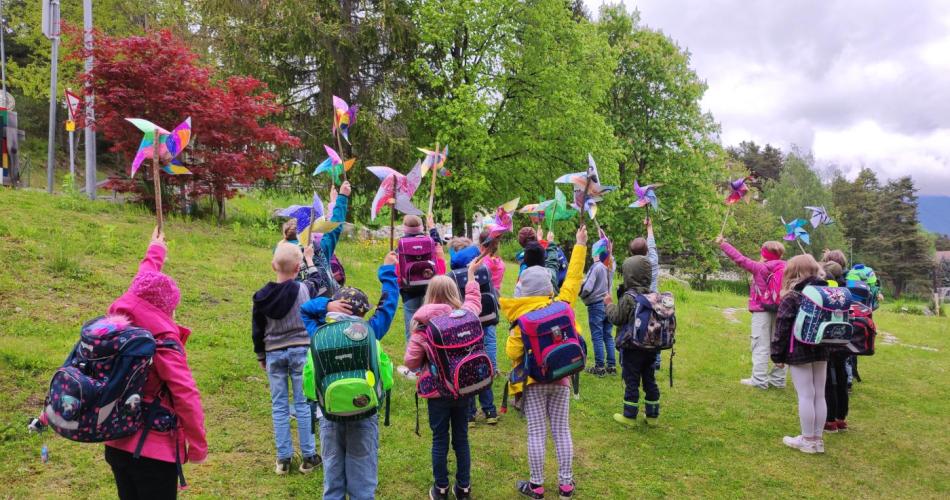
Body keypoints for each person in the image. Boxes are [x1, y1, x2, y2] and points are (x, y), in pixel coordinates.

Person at [103, 228, 208, 499]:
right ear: (166, 309)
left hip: (116, 442)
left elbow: (143, 280)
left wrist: (155, 249)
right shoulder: (163, 341)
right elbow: (186, 394)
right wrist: (197, 445)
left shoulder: (121, 321)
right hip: (154, 453)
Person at [299, 251, 399, 500]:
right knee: (362, 475)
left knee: (333, 474)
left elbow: (304, 310)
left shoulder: (319, 332)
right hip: (364, 410)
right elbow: (388, 305)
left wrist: (326, 305)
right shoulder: (369, 331)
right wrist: (388, 272)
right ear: (363, 313)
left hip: (329, 412)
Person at [502, 226, 588, 500]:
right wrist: (580, 245)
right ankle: (566, 486)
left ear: (522, 289)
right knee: (562, 430)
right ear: (549, 287)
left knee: (537, 432)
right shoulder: (562, 305)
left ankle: (537, 486)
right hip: (562, 376)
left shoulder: (522, 321)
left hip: (534, 382)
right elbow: (573, 279)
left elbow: (511, 352)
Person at [404, 258, 485, 500]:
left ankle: (440, 489)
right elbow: (474, 300)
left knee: (440, 439)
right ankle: (464, 488)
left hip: (436, 391)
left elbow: (410, 362)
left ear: (430, 294)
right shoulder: (466, 315)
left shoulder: (422, 326)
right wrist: (471, 276)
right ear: (453, 292)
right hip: (463, 387)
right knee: (461, 437)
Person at [252, 243, 326, 475]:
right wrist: (310, 260)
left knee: (279, 405)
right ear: (297, 268)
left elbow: (257, 330)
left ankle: (283, 459)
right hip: (300, 352)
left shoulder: (260, 297)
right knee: (303, 404)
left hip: (274, 353)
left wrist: (261, 355)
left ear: (274, 265)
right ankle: (308, 456)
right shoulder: (304, 289)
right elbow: (321, 285)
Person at [771, 254, 829, 454]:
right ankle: (818, 440)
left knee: (805, 395)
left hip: (799, 349)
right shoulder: (826, 292)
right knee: (819, 394)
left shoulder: (793, 296)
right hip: (822, 347)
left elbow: (782, 328)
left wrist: (777, 356)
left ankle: (807, 440)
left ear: (793, 272)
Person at [716, 235, 787, 389]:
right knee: (780, 344)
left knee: (760, 344)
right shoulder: (788, 268)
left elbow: (739, 259)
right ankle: (778, 380)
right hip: (782, 311)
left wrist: (723, 244)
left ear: (765, 254)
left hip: (761, 311)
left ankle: (759, 380)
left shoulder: (759, 267)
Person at [448, 242, 500, 425]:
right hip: (483, 325)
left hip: (463, 329)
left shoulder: (452, 276)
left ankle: (470, 414)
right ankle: (490, 411)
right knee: (481, 367)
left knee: (466, 369)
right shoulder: (483, 270)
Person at [606, 250, 660, 425]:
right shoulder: (653, 296)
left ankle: (629, 416)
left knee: (632, 381)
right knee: (650, 380)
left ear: (629, 274)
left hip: (632, 347)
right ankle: (652, 416)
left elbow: (617, 318)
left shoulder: (629, 297)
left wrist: (608, 305)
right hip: (651, 347)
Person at [396, 214, 447, 342]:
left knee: (412, 329)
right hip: (431, 291)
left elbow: (398, 273)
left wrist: (401, 286)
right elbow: (440, 267)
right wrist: (432, 227)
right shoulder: (430, 243)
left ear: (404, 228)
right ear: (421, 227)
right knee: (432, 329)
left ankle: (412, 358)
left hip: (409, 292)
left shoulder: (401, 245)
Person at [622, 218, 661, 371]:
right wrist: (649, 228)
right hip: (654, 301)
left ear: (632, 253)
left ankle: (636, 354)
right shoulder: (653, 260)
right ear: (646, 251)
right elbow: (652, 245)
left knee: (638, 328)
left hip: (638, 301)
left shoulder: (631, 266)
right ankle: (655, 360)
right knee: (654, 328)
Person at [301, 182, 351, 297]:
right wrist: (341, 198)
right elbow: (334, 228)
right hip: (321, 302)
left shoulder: (288, 253)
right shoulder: (321, 251)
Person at [820, 251, 849, 432]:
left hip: (828, 337)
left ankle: (829, 419)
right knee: (841, 375)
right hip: (844, 337)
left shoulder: (826, 291)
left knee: (828, 379)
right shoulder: (847, 289)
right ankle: (841, 418)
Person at [580, 233, 615, 376]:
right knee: (608, 334)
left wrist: (581, 294)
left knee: (597, 336)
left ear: (597, 253)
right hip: (608, 303)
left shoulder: (596, 267)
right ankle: (611, 366)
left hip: (596, 305)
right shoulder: (610, 266)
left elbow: (588, 287)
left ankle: (600, 367)